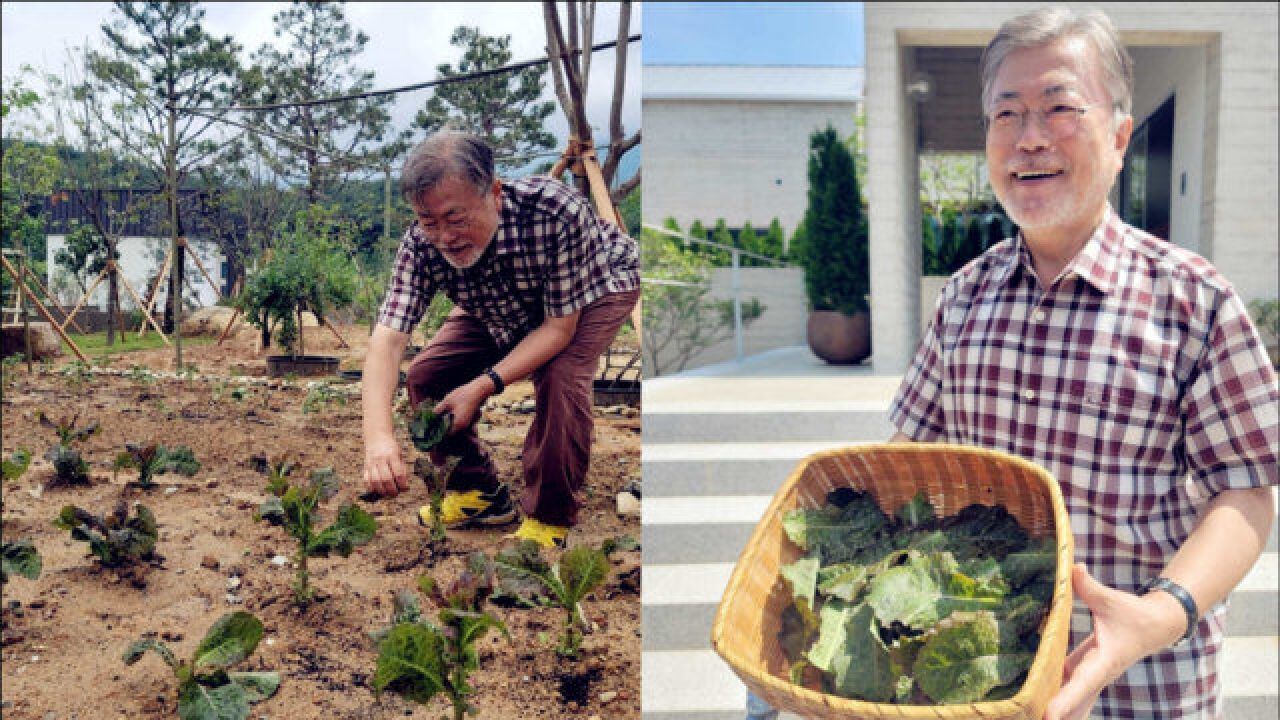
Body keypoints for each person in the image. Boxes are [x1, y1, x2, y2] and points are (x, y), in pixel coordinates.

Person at [887, 6, 1276, 719]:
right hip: (986, 674)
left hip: (1148, 684)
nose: (1030, 138)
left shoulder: (1196, 302)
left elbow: (1245, 495)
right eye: (1006, 115)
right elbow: (908, 459)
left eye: (1060, 107)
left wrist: (1162, 613)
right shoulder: (963, 298)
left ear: (1120, 135)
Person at [361, 130, 640, 549]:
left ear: (494, 192)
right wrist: (379, 438)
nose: (444, 236)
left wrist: (482, 385)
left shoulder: (552, 211)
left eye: (456, 218)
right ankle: (478, 494)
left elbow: (557, 330)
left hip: (596, 286)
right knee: (428, 374)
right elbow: (387, 342)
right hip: (498, 301)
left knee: (560, 376)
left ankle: (550, 513)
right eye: (428, 221)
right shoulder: (421, 247)